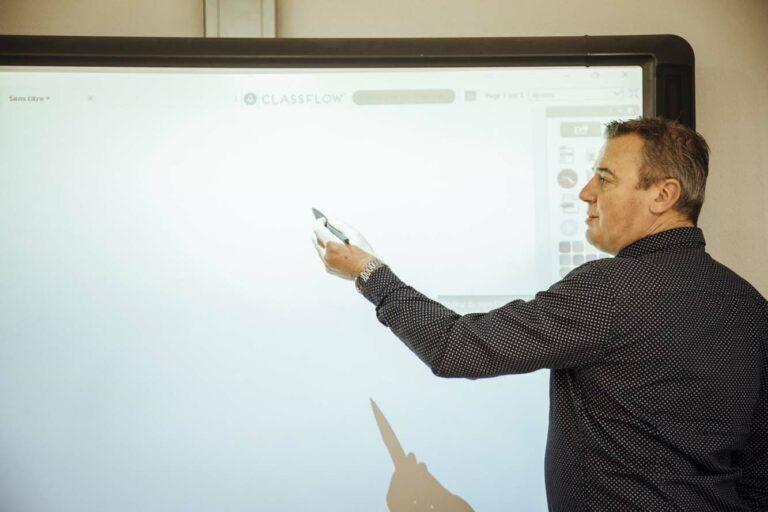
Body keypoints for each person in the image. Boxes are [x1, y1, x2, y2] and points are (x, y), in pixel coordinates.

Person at [312, 117, 768, 511]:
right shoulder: (752, 306)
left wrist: (367, 271)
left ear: (663, 195)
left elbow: (455, 350)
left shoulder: (612, 290)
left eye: (605, 178)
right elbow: (759, 474)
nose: (586, 192)